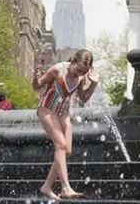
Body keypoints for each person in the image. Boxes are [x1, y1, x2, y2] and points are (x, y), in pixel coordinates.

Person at [32, 49, 98, 200]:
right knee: (60, 145)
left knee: (66, 150)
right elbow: (36, 87)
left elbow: (82, 99)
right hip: (47, 108)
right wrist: (35, 77)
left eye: (83, 72)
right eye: (78, 70)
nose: (79, 74)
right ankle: (65, 187)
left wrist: (93, 84)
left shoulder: (81, 77)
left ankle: (47, 186)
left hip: (63, 112)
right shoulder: (57, 70)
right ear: (73, 61)